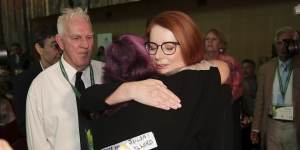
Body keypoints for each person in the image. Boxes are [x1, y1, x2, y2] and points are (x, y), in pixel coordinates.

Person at [26, 7, 181, 150]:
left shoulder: (108, 72)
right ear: (60, 42)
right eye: (76, 38)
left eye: (89, 37)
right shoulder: (41, 86)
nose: (85, 45)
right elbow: (37, 143)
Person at [79, 11, 231, 150]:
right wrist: (130, 89)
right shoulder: (151, 81)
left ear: (189, 45)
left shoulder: (195, 81)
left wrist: (129, 90)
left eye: (169, 47)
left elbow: (88, 100)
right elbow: (88, 98)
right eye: (152, 47)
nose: (158, 55)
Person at [251, 26, 300, 150]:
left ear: (295, 44)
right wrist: (256, 128)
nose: (282, 46)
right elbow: (260, 101)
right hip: (272, 124)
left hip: (294, 125)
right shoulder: (265, 68)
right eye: (279, 43)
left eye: (286, 42)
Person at [12, 24, 62, 139]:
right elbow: (25, 126)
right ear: (39, 49)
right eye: (55, 46)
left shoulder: (70, 73)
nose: (60, 51)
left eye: (62, 45)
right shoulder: (23, 81)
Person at [204, 28, 243, 150]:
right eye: (207, 39)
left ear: (221, 44)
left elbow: (237, 86)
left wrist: (223, 102)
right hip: (202, 108)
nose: (210, 42)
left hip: (224, 108)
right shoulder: (197, 60)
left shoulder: (229, 61)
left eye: (214, 39)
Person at [240, 59, 258, 150]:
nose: (245, 70)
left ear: (254, 69)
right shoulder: (238, 83)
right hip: (245, 120)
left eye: (248, 67)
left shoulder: (259, 81)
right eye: (243, 68)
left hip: (257, 119)